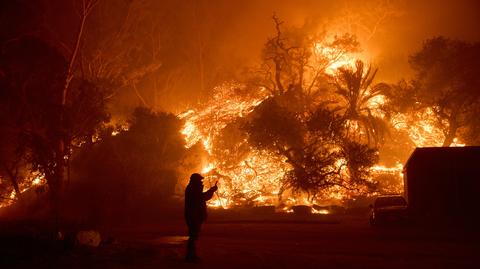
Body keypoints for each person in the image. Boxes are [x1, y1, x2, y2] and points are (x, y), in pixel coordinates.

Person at [184, 173, 218, 262]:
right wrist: (211, 190)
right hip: (194, 216)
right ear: (195, 180)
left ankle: (191, 255)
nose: (201, 182)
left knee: (194, 235)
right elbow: (202, 198)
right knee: (193, 235)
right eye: (199, 180)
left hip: (194, 215)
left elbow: (202, 197)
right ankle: (190, 256)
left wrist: (211, 190)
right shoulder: (192, 189)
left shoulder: (193, 188)